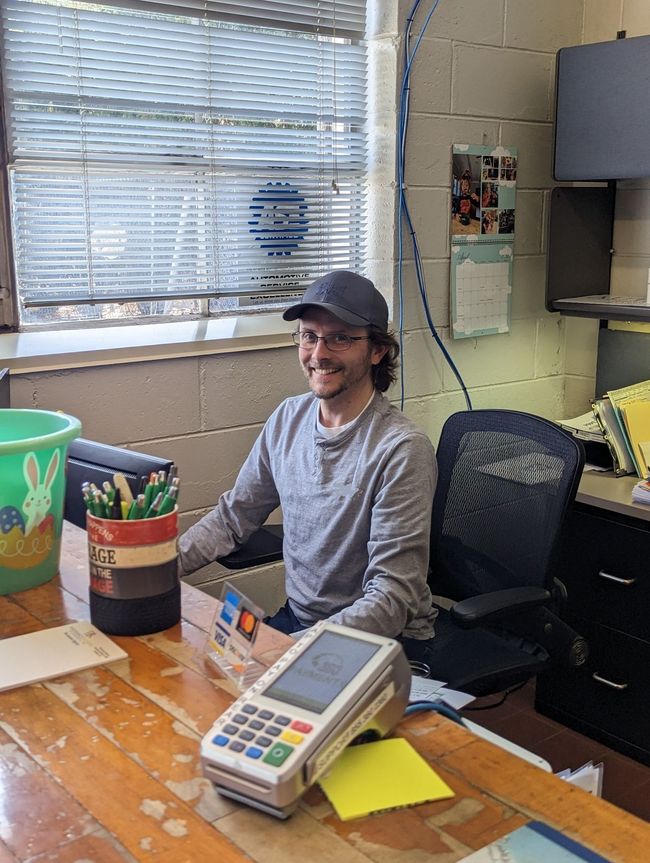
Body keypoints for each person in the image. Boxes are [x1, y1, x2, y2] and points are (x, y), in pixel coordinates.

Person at [178, 270, 437, 659]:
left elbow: (391, 599)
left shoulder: (401, 449)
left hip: (380, 639)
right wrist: (156, 570)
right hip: (300, 624)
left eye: (340, 338)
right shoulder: (287, 419)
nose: (318, 354)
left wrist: (286, 653)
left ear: (377, 350)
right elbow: (235, 517)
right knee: (200, 680)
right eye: (309, 335)